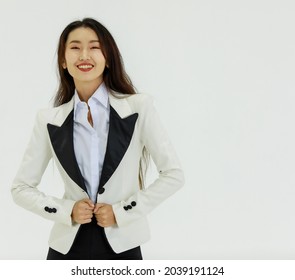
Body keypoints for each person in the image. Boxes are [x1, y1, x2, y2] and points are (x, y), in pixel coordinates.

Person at [11, 18, 184, 260]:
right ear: (63, 60)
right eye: (74, 47)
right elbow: (21, 188)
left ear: (108, 57)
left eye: (94, 47)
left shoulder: (137, 108)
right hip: (67, 247)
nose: (84, 55)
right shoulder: (49, 120)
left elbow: (174, 174)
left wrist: (122, 212)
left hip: (123, 244)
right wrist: (67, 210)